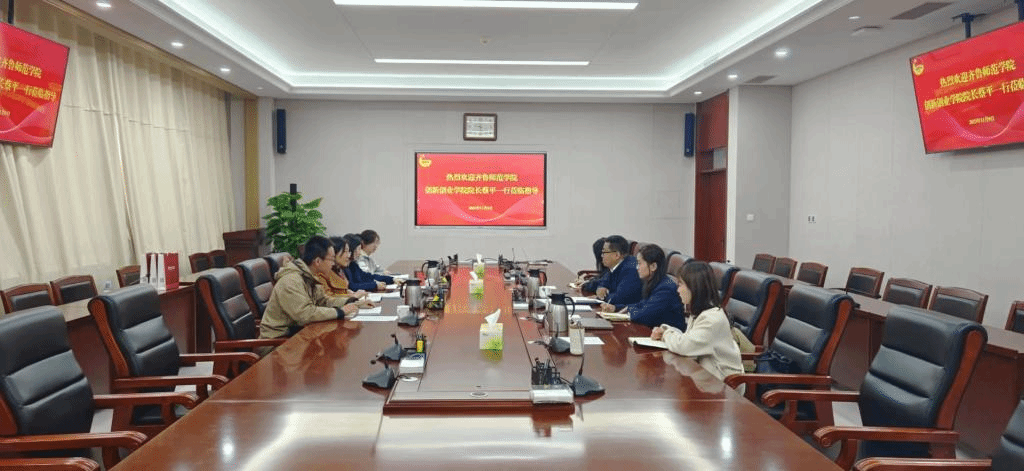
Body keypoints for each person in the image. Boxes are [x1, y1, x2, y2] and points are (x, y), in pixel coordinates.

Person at [651, 260, 743, 382]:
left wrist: (665, 334)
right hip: (708, 376)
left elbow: (684, 346)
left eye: (681, 284)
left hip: (724, 383)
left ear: (694, 287)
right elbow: (689, 339)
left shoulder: (712, 319)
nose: (678, 290)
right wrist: (665, 330)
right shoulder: (700, 312)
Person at [259, 235, 359, 345]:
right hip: (278, 343)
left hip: (298, 335)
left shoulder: (309, 276)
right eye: (331, 259)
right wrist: (340, 312)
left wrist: (352, 301)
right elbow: (305, 314)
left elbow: (323, 301)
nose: (333, 264)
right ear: (317, 261)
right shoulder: (291, 281)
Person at [600, 243, 685, 331]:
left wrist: (625, 313)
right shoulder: (653, 282)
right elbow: (641, 304)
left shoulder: (665, 289)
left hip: (667, 336)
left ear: (653, 266)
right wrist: (615, 308)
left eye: (639, 263)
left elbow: (644, 314)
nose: (637, 267)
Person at [316, 236, 375, 308]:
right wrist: (353, 296)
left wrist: (351, 295)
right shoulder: (321, 273)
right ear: (334, 252)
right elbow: (326, 299)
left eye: (348, 252)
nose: (348, 256)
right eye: (345, 251)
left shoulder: (340, 270)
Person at [593, 235, 642, 306]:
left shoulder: (631, 270)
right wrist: (601, 287)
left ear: (617, 255)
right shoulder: (616, 266)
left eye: (604, 252)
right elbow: (604, 281)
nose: (602, 256)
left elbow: (619, 299)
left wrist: (600, 297)